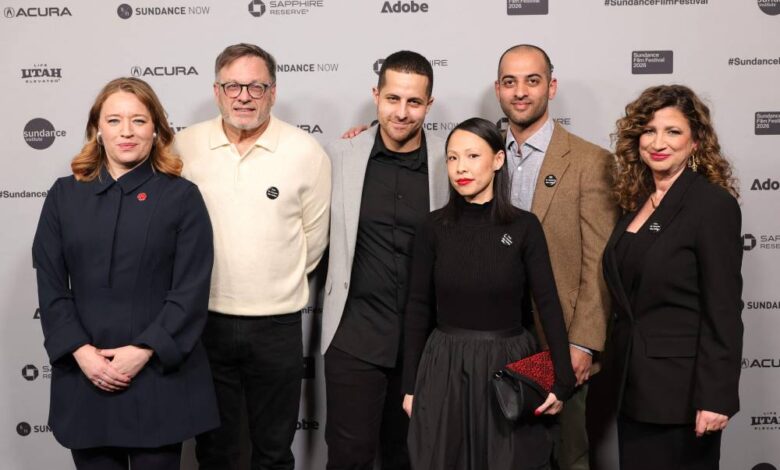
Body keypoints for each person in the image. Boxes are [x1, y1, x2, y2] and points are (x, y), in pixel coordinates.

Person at [32, 77, 218, 470]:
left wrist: (144, 350)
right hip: (86, 377)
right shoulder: (64, 195)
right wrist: (82, 353)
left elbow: (190, 290)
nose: (127, 131)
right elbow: (50, 286)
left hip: (158, 377)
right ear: (97, 129)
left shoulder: (182, 197)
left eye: (139, 120)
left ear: (156, 129)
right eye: (114, 120)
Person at [173, 43, 331, 470]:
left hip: (277, 326)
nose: (244, 96)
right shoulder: (183, 147)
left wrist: (273, 279)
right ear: (217, 91)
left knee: (274, 452)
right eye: (233, 86)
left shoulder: (306, 152)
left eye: (256, 87)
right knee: (214, 452)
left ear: (273, 93)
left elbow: (313, 240)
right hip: (205, 322)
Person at [402, 117, 576, 470]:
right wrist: (410, 386)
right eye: (452, 158)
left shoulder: (525, 226)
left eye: (472, 156)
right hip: (445, 365)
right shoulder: (432, 227)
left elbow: (547, 304)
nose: (461, 168)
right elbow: (418, 307)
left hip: (508, 364)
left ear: (498, 160)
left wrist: (562, 380)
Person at [602, 84, 743, 470]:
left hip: (683, 395)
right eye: (649, 131)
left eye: (673, 131)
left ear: (696, 141)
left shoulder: (712, 205)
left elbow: (724, 310)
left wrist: (716, 397)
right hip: (632, 388)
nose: (658, 142)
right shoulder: (636, 202)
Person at [321, 50, 449, 470]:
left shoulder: (450, 162)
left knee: (412, 457)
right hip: (354, 338)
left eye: (414, 102)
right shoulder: (339, 155)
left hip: (426, 344)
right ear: (376, 96)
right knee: (348, 458)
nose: (402, 112)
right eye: (393, 98)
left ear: (429, 104)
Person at [494, 44, 618, 470]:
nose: (520, 92)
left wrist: (583, 344)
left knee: (568, 457)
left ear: (551, 86)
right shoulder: (481, 155)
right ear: (497, 89)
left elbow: (599, 263)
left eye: (532, 80)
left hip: (560, 343)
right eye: (510, 82)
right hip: (495, 338)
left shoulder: (590, 162)